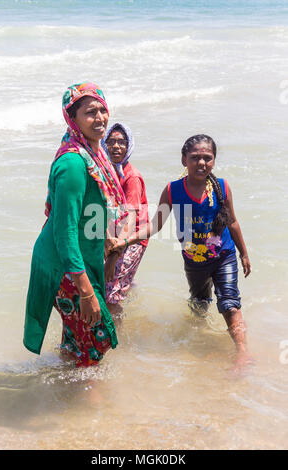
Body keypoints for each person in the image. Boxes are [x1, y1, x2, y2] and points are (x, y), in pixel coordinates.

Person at [110, 134, 253, 371]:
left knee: (230, 303)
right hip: (194, 261)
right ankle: (198, 336)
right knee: (199, 303)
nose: (201, 163)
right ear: (184, 160)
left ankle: (242, 353)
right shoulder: (173, 190)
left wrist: (243, 254)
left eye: (207, 158)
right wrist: (126, 241)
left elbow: (233, 222)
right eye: (195, 157)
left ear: (214, 161)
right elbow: (155, 225)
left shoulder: (222, 188)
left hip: (223, 256)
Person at [23, 81, 127, 368]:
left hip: (78, 258)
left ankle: (62, 392)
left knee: (79, 340)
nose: (100, 118)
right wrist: (86, 291)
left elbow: (89, 209)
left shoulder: (92, 152)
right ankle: (89, 409)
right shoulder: (73, 164)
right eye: (90, 112)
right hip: (65, 267)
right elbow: (65, 231)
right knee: (95, 344)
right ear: (73, 118)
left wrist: (105, 237)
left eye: (102, 110)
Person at [102, 123, 149, 319]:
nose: (116, 146)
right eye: (111, 141)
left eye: (122, 142)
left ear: (129, 146)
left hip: (133, 237)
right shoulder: (105, 172)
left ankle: (118, 343)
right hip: (113, 233)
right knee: (113, 282)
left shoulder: (131, 178)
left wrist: (113, 257)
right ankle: (128, 284)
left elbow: (130, 218)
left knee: (110, 299)